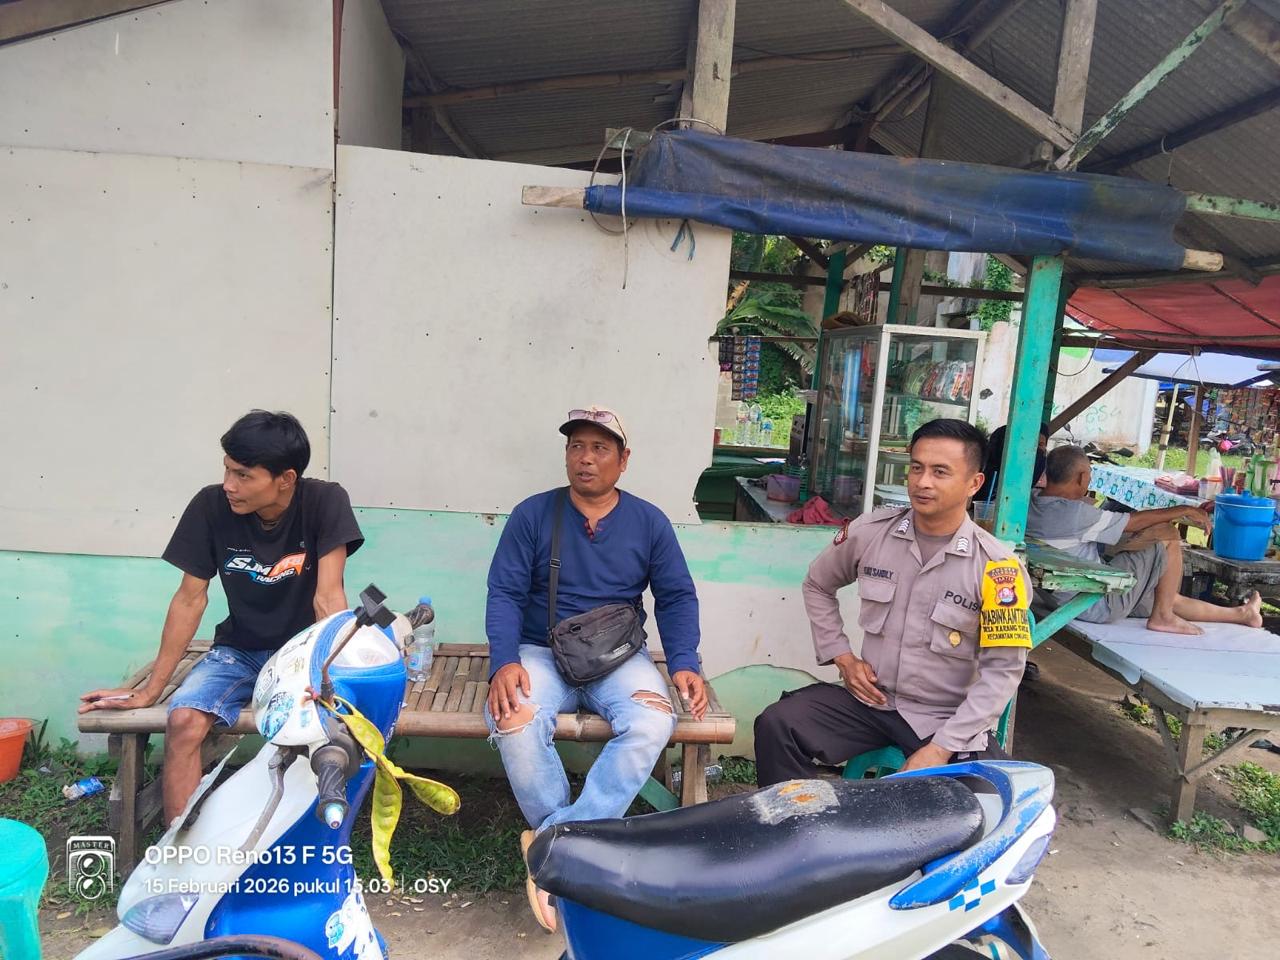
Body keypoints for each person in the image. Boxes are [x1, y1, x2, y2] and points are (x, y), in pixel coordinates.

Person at [79, 411, 363, 822]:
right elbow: (189, 599)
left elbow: (328, 597)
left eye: (243, 475)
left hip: (301, 653)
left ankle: (312, 830)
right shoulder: (211, 506)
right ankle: (181, 847)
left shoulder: (324, 501)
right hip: (238, 651)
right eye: (227, 470)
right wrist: (151, 689)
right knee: (183, 721)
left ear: (285, 478)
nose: (229, 484)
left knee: (323, 730)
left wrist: (327, 678)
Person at [485, 405, 705, 932]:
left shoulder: (649, 522)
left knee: (652, 721)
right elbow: (504, 592)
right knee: (514, 718)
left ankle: (555, 843)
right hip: (541, 651)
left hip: (618, 656)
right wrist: (504, 662)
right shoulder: (533, 514)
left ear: (623, 461)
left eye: (600, 448)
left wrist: (684, 661)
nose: (585, 458)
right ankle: (572, 855)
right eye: (576, 447)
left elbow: (676, 595)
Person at [754, 419, 1031, 787]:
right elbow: (818, 584)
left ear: (974, 483)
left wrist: (940, 749)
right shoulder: (872, 533)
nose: (922, 482)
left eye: (940, 472)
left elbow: (1003, 671)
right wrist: (843, 657)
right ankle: (795, 820)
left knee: (988, 796)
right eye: (916, 468)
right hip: (872, 702)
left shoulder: (997, 569)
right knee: (778, 724)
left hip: (945, 718)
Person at [1026, 445, 1262, 634]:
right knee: (1167, 535)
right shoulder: (1073, 513)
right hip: (1093, 603)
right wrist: (1182, 510)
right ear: (1081, 477)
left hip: (1058, 596)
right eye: (1089, 475)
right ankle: (1163, 617)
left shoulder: (1032, 502)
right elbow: (1132, 522)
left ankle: (1243, 614)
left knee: (1164, 596)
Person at [974, 423, 1050, 503]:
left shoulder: (1038, 468)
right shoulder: (984, 468)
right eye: (1031, 444)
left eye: (1040, 445)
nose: (1035, 450)